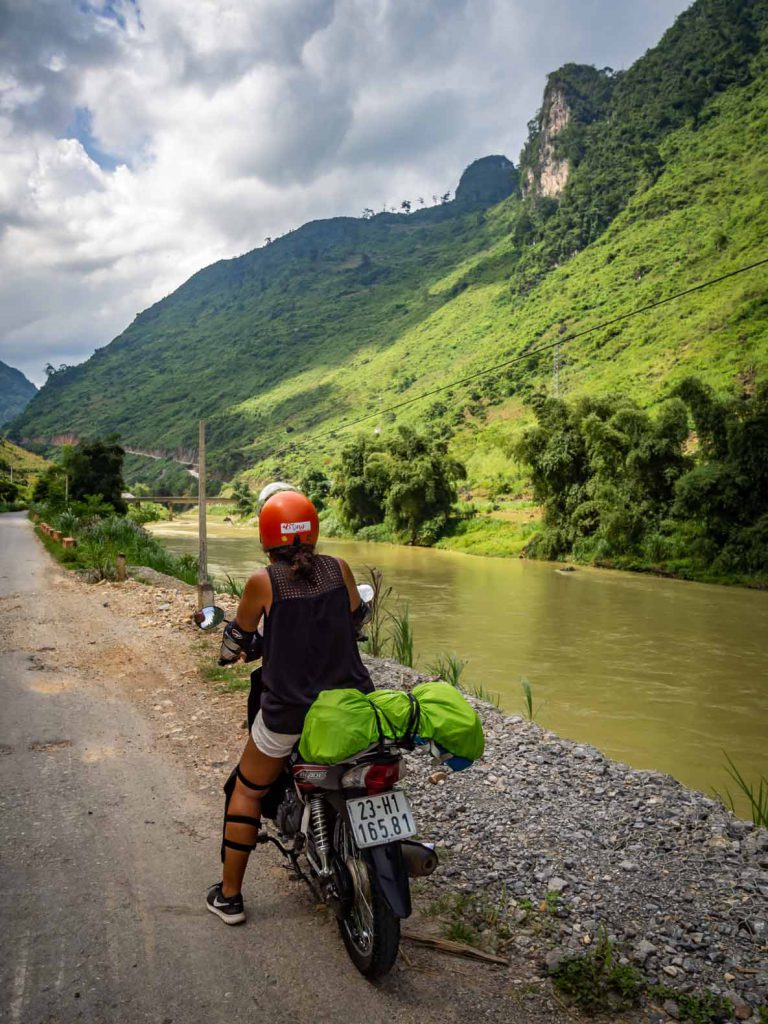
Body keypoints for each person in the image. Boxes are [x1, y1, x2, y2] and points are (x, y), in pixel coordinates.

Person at [206, 488, 372, 924]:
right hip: (353, 704)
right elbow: (356, 618)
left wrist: (231, 651)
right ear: (313, 531)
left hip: (289, 713)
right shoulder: (340, 568)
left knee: (245, 789)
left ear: (266, 538)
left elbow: (237, 639)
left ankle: (230, 897)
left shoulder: (263, 582)